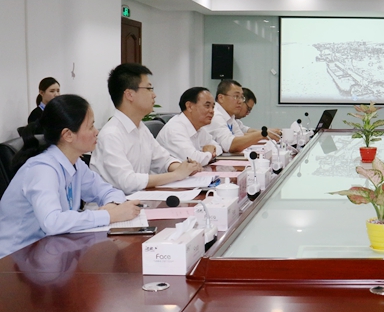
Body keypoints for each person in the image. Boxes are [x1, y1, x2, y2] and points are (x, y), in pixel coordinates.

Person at [0, 95, 141, 258]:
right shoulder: (42, 170)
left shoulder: (75, 163)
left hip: (48, 252)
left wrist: (112, 205)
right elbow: (52, 222)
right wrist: (109, 215)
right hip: (14, 260)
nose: (96, 132)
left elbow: (107, 191)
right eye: (91, 126)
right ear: (68, 135)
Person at [90, 63, 201, 194]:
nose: (154, 95)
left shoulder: (141, 128)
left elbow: (163, 160)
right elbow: (128, 182)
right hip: (114, 204)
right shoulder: (111, 135)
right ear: (129, 95)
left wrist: (185, 168)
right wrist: (177, 175)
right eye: (149, 89)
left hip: (138, 199)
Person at [207, 81, 280, 153]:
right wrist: (262, 134)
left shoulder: (230, 117)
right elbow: (230, 146)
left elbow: (240, 138)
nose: (240, 101)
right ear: (221, 98)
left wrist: (264, 135)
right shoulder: (215, 115)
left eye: (242, 97)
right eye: (236, 96)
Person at [157, 87, 223, 166]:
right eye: (207, 106)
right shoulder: (175, 129)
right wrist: (208, 153)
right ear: (189, 106)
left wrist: (208, 153)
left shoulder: (199, 128)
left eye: (213, 107)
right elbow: (193, 160)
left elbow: (218, 149)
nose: (212, 111)